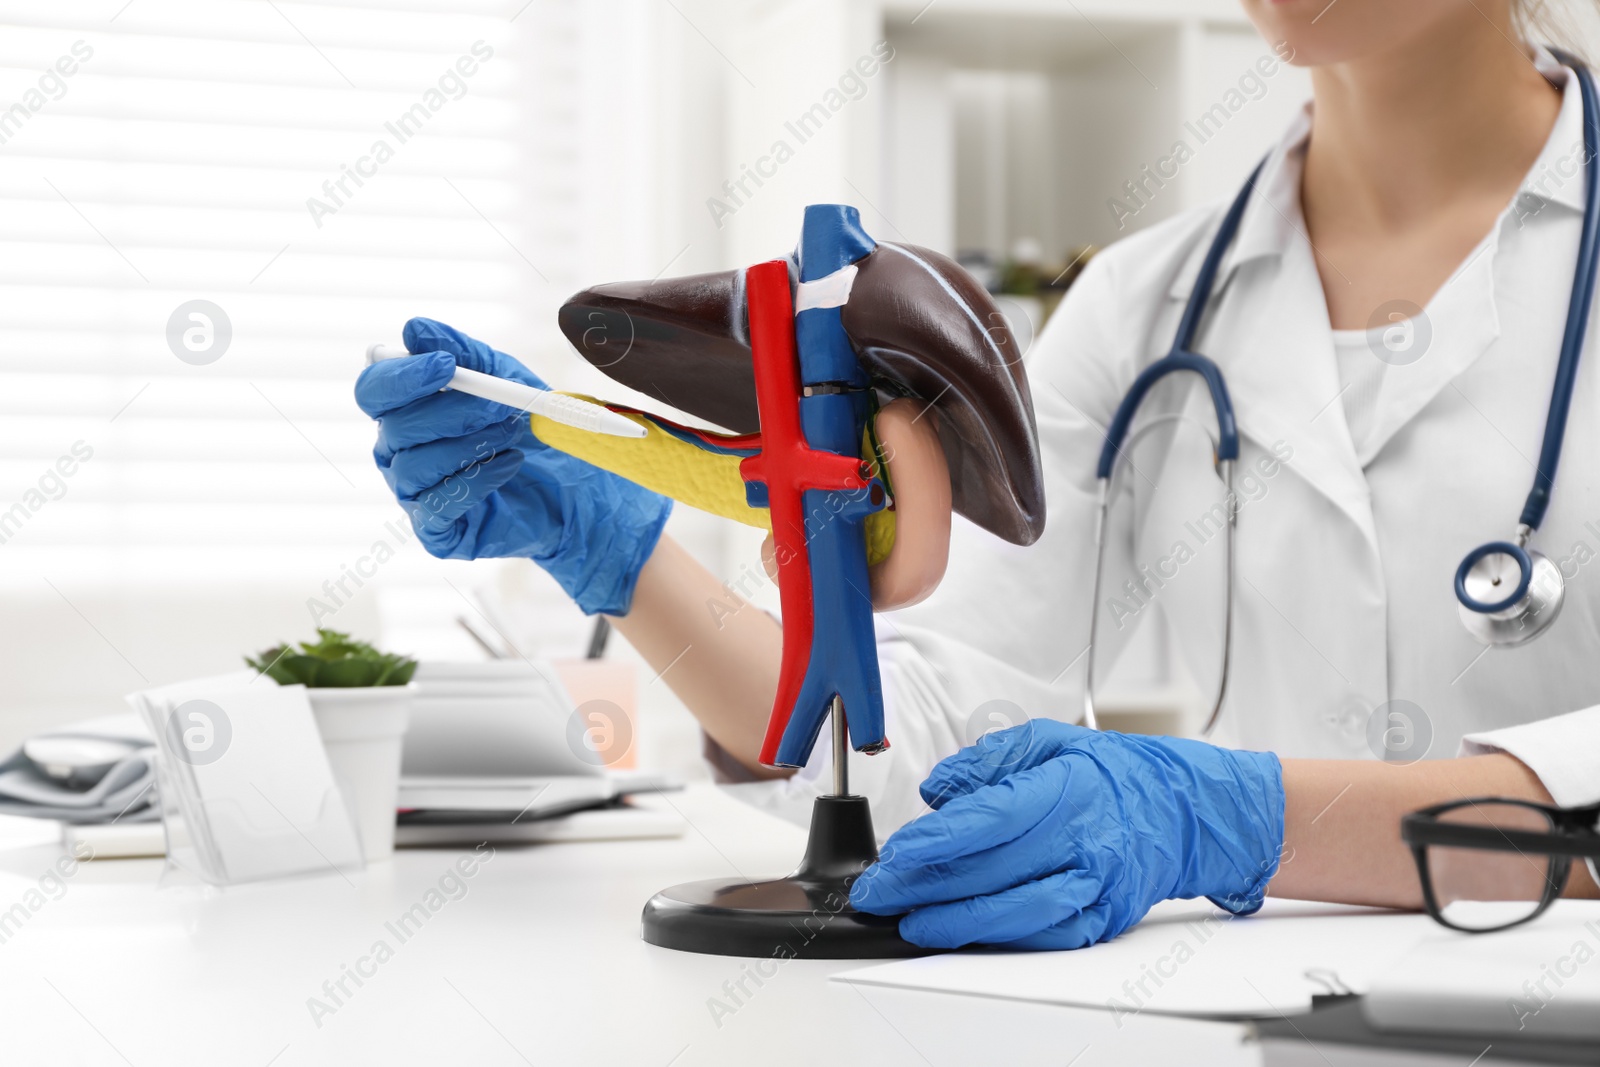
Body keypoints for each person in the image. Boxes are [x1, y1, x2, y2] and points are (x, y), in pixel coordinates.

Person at [357, 0, 1600, 951]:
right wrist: (621, 552)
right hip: (1259, 1013)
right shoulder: (1142, 302)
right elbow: (928, 739)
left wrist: (1242, 815)